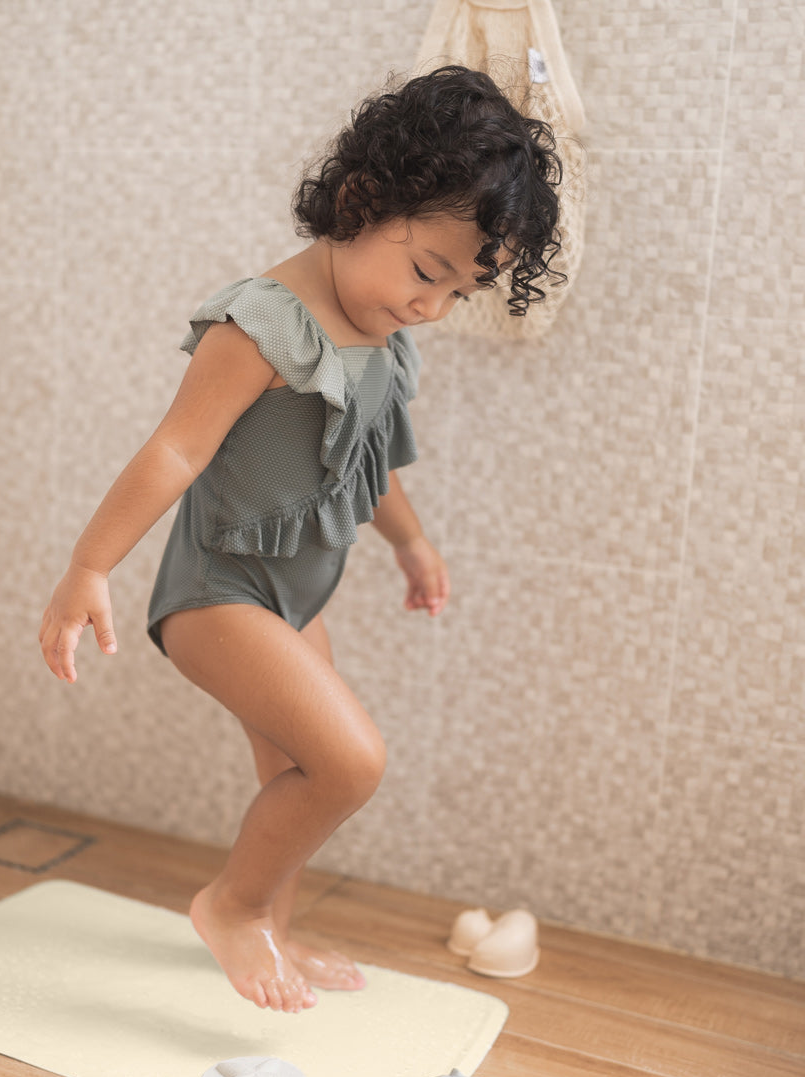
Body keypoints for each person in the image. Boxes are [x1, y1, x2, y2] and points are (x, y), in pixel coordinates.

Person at [39, 65, 563, 1013]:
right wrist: (90, 565)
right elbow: (174, 450)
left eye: (459, 292)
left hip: (296, 599)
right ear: (360, 203)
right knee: (350, 762)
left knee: (291, 772)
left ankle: (273, 928)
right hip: (217, 596)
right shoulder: (262, 325)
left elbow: (372, 462)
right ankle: (233, 909)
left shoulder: (380, 331)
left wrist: (411, 542)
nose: (431, 308)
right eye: (426, 273)